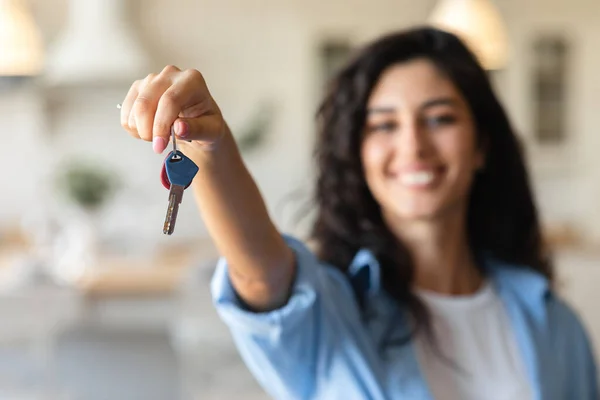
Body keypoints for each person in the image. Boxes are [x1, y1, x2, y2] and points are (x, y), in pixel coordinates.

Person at [119, 26, 597, 400]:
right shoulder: (331, 315)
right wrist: (211, 147)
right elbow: (262, 277)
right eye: (383, 125)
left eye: (440, 118)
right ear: (359, 156)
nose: (413, 144)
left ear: (481, 146)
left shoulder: (556, 326)